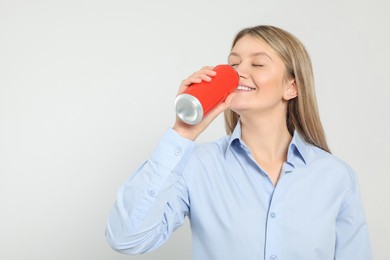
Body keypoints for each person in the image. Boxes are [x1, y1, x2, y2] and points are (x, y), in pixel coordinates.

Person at [105, 25, 372, 260]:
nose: (238, 74)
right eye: (233, 64)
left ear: (291, 87)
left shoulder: (336, 177)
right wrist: (182, 132)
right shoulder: (197, 165)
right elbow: (127, 239)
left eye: (257, 64)